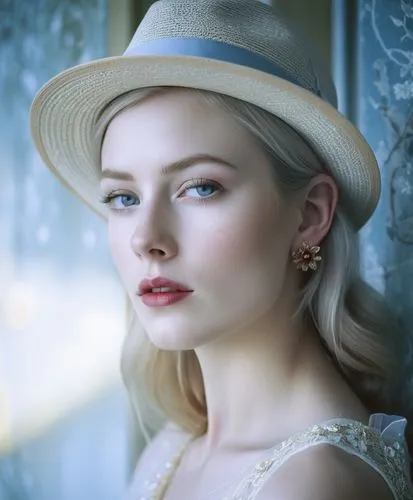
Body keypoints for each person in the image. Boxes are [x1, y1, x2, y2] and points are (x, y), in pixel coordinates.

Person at [30, 0, 413, 498]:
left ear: (310, 214)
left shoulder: (313, 485)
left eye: (201, 187)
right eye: (123, 197)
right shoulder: (173, 449)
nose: (146, 239)